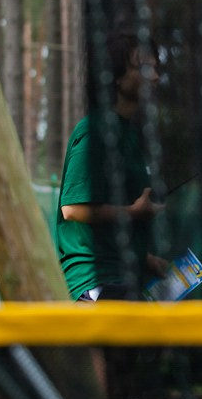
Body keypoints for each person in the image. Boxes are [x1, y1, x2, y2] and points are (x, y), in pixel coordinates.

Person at [57, 31, 170, 301]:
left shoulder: (128, 134)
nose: (155, 77)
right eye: (144, 68)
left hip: (123, 276)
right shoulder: (95, 131)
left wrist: (146, 259)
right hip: (95, 279)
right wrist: (133, 212)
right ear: (116, 76)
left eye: (156, 68)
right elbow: (72, 210)